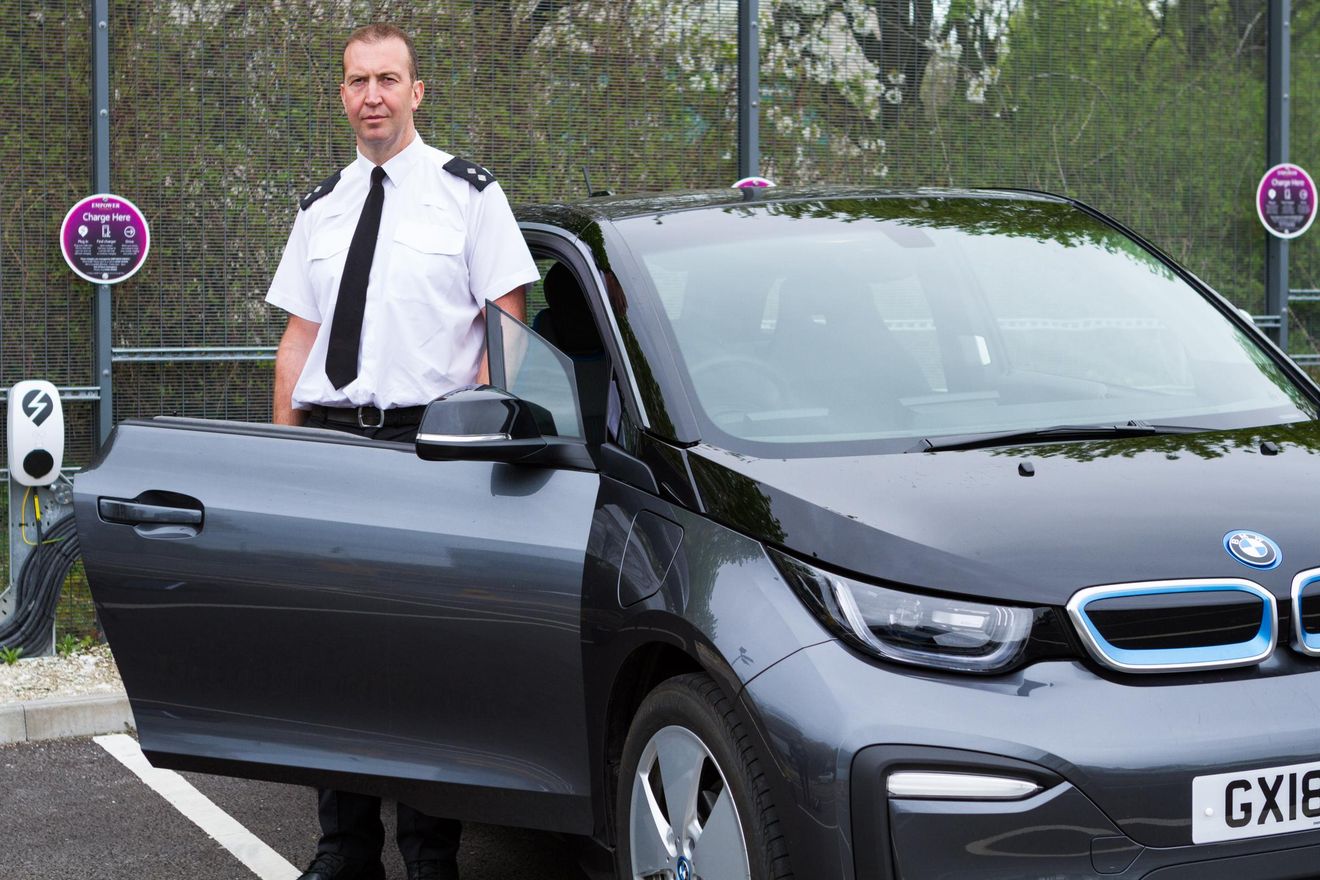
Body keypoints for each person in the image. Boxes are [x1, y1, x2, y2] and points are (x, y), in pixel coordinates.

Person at [265, 22, 539, 880]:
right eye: (357, 81)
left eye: (388, 79)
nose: (372, 95)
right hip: (337, 452)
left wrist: (498, 444)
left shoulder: (469, 196)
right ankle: (343, 853)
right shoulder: (320, 207)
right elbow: (298, 343)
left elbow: (510, 324)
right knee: (334, 658)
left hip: (435, 449)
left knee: (425, 665)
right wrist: (285, 463)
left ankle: (430, 859)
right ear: (341, 94)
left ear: (417, 92)